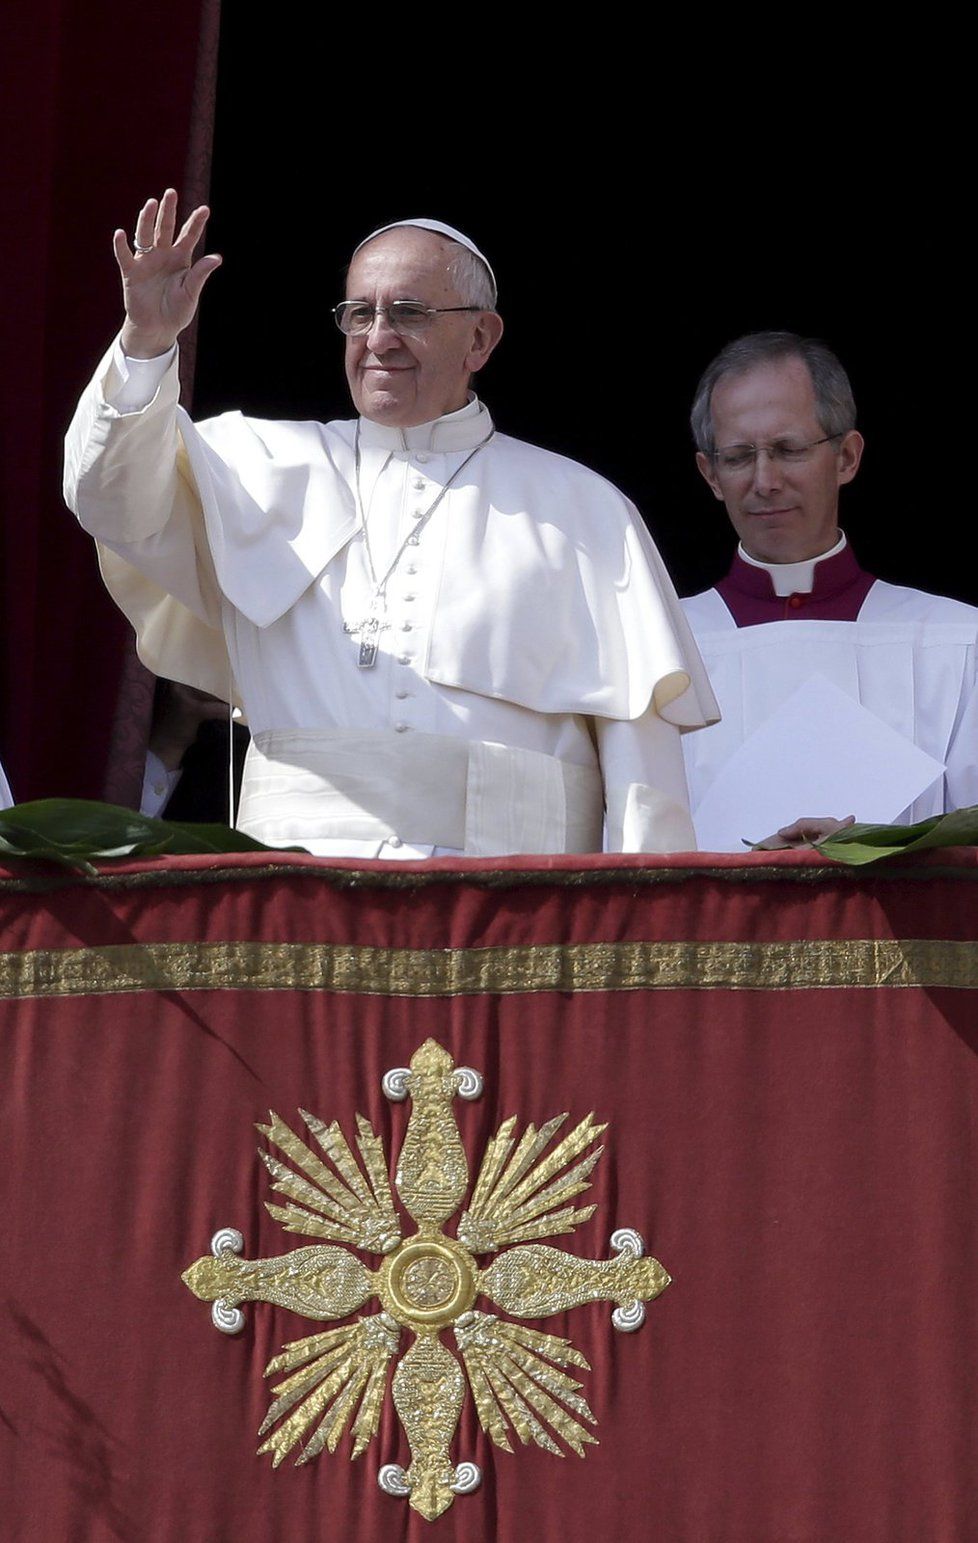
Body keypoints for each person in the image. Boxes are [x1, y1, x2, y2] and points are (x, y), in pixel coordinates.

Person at [65, 193, 717, 858]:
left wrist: (649, 913)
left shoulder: (583, 508)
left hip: (509, 905)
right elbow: (108, 496)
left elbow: (645, 774)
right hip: (295, 897)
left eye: (409, 312)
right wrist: (145, 344)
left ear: (481, 338)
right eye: (359, 314)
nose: (378, 338)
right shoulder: (254, 464)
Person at [681, 331, 978, 851]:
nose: (765, 480)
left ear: (846, 457)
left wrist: (881, 848)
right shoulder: (658, 645)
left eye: (788, 449)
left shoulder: (956, 641)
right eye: (738, 456)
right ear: (710, 474)